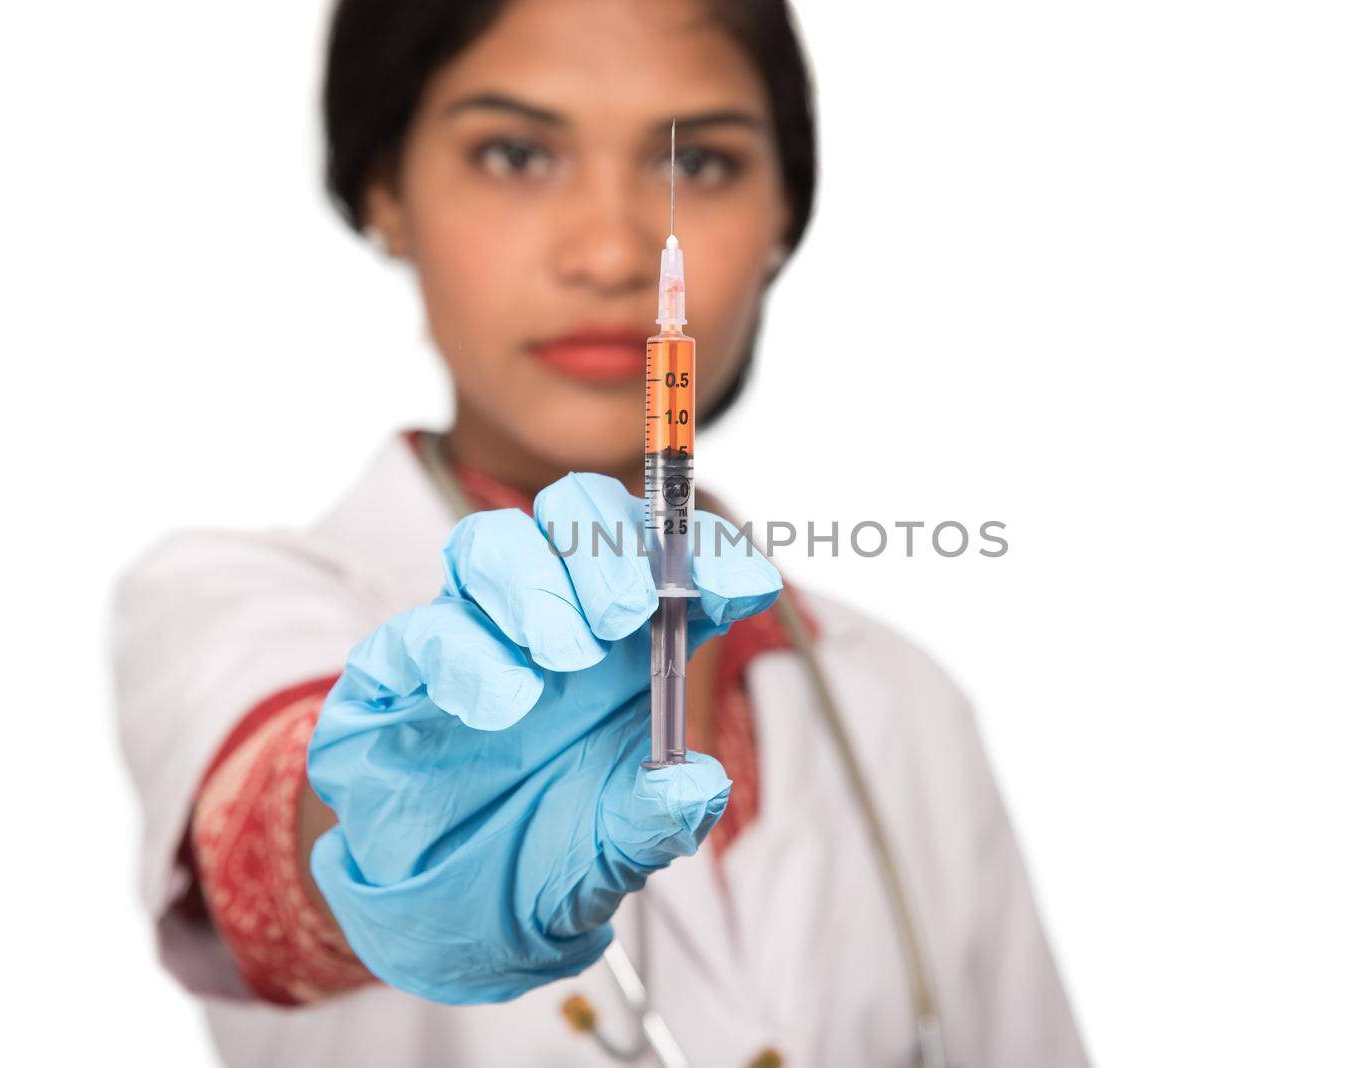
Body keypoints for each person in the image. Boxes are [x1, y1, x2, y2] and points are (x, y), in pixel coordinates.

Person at [113, 1, 1089, 1064]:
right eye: (516, 153)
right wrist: (407, 838)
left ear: (782, 219)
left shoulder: (903, 703)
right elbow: (283, 832)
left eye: (702, 163)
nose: (614, 252)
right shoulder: (231, 602)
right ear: (384, 190)